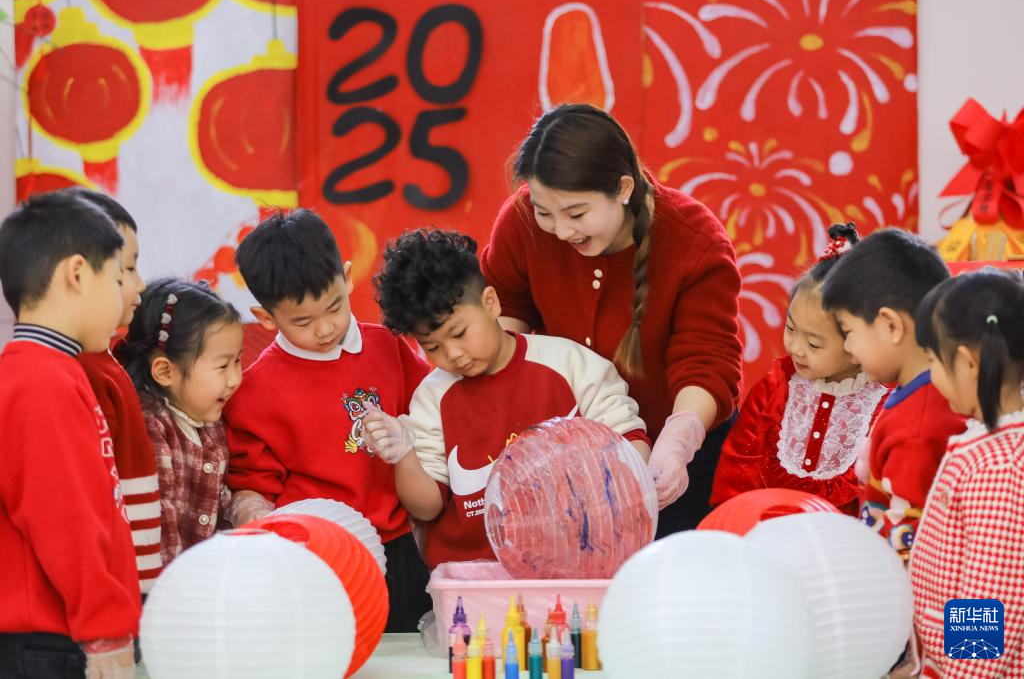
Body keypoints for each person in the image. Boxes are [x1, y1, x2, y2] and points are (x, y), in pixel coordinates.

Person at [481, 103, 742, 534]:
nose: (561, 231)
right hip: (569, 457)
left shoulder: (694, 239)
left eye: (576, 214)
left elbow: (706, 361)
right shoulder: (521, 221)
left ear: (623, 188)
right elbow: (504, 319)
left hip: (678, 457)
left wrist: (677, 442)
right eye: (545, 212)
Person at [363, 229, 650, 569]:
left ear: (490, 303)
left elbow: (631, 445)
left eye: (459, 333)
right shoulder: (432, 398)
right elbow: (427, 508)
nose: (453, 354)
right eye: (433, 347)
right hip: (474, 575)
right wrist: (403, 455)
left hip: (578, 568)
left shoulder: (570, 364)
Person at [223, 209, 432, 631]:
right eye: (303, 321)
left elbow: (431, 417)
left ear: (348, 277)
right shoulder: (254, 390)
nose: (324, 329)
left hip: (398, 548)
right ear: (266, 318)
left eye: (334, 307)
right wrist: (251, 513)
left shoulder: (388, 346)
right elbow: (253, 486)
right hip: (317, 560)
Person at [0, 191, 139, 679]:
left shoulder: (56, 370)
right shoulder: (39, 381)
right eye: (117, 277)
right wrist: (105, 632)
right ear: (77, 274)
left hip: (60, 633)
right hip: (46, 641)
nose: (125, 294)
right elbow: (65, 518)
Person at [711, 224, 889, 514]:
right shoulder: (774, 390)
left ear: (860, 344)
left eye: (814, 343)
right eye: (791, 329)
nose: (795, 347)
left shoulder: (883, 407)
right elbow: (738, 469)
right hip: (767, 530)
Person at [820, 228, 965, 560]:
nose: (848, 348)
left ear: (891, 325)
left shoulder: (920, 425)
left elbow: (911, 542)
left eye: (848, 331)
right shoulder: (916, 393)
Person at [910, 269, 1024, 678]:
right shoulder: (990, 448)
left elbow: (986, 608)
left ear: (967, 362)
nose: (931, 376)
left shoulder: (998, 468)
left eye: (932, 361)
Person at [72, 188, 162, 593]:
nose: (140, 284)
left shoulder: (105, 362)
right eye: (127, 269)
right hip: (116, 588)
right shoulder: (83, 371)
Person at [119, 278, 243, 565]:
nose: (235, 379)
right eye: (222, 366)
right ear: (165, 371)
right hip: (166, 583)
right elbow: (158, 537)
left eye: (237, 361)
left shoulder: (208, 415)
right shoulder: (150, 429)